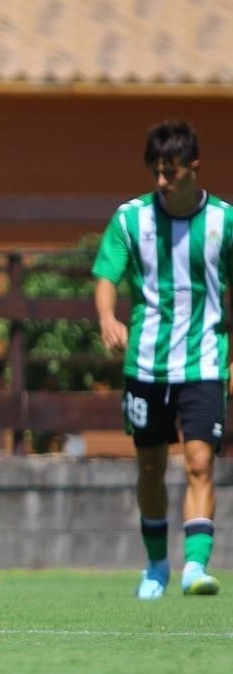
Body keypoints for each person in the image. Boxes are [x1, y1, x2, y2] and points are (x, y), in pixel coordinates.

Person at [94, 121, 226, 599]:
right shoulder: (131, 220)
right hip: (145, 364)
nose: (161, 182)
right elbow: (108, 273)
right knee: (150, 467)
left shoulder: (223, 223)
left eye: (170, 172)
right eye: (155, 172)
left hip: (204, 361)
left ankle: (194, 567)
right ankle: (156, 566)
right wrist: (108, 316)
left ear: (194, 167)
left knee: (199, 462)